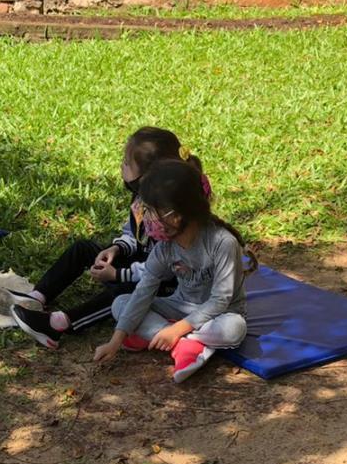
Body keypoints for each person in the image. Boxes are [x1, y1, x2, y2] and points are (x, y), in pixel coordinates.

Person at [8, 127, 197, 350]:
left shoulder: (170, 213)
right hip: (139, 266)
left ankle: (59, 324)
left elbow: (162, 270)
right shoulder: (142, 197)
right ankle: (37, 298)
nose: (121, 167)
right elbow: (133, 234)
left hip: (163, 284)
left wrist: (118, 274)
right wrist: (116, 249)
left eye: (126, 163)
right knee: (83, 249)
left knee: (125, 292)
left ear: (146, 175)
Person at [93, 160, 252, 384]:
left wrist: (176, 329)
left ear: (175, 215)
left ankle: (162, 335)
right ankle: (186, 345)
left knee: (234, 329)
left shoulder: (222, 243)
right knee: (121, 303)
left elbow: (220, 300)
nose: (144, 217)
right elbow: (143, 291)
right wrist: (115, 341)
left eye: (150, 210)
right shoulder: (165, 247)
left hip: (220, 315)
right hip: (179, 308)